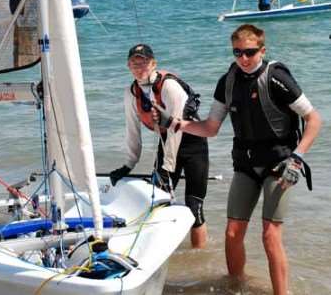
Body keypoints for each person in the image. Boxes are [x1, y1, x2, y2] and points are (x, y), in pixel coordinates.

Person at [154, 25, 322, 295]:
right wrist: (174, 123)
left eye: (250, 52)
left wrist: (297, 158)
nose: (243, 58)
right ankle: (236, 287)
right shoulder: (227, 82)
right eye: (237, 52)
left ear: (262, 50)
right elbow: (210, 127)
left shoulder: (277, 77)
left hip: (280, 166)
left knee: (270, 235)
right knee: (232, 234)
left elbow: (314, 119)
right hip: (245, 164)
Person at [109, 44, 209, 249]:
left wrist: (167, 166)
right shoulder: (131, 93)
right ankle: (156, 251)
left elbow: (176, 128)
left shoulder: (169, 86)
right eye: (134, 63)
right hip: (167, 146)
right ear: (128, 66)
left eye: (143, 62)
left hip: (192, 144)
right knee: (157, 204)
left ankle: (198, 256)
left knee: (194, 207)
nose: (139, 67)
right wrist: (128, 164)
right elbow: (132, 131)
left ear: (154, 63)